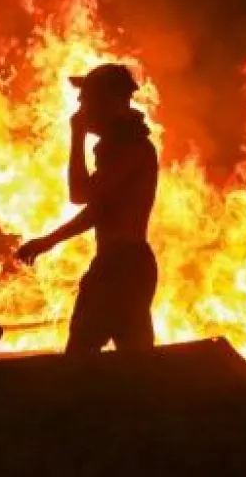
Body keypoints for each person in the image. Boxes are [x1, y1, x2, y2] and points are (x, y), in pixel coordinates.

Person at [16, 63, 160, 354]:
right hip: (122, 266)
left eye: (87, 98)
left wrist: (47, 242)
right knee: (136, 366)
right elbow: (81, 195)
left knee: (81, 362)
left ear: (111, 102)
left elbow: (84, 199)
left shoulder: (132, 150)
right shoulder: (119, 148)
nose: (81, 105)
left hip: (121, 269)